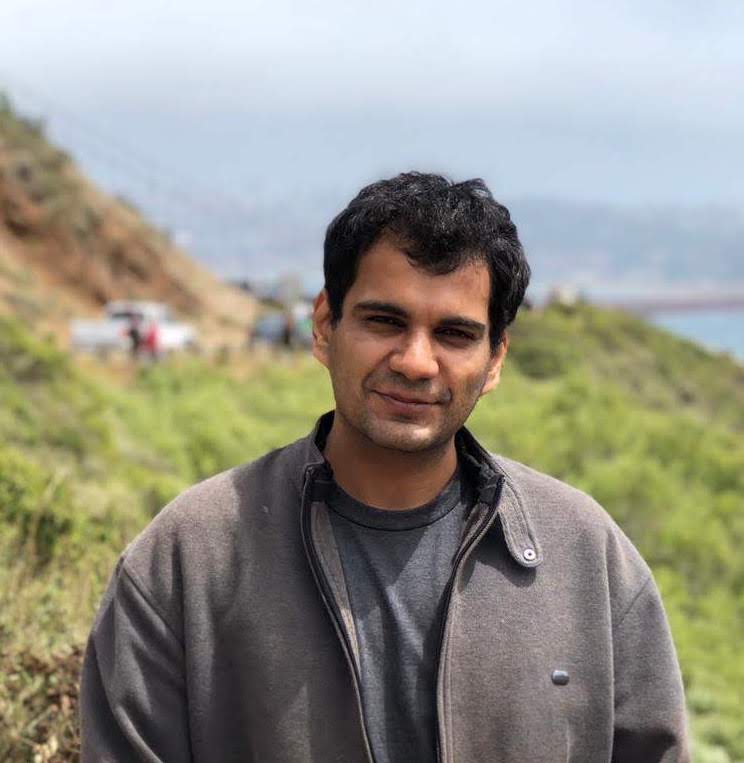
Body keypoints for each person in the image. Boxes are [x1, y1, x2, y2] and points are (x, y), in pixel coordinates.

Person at [80, 172, 689, 762]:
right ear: (325, 325)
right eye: (384, 321)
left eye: (455, 334)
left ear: (495, 359)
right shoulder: (186, 558)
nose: (416, 361)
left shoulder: (587, 556)